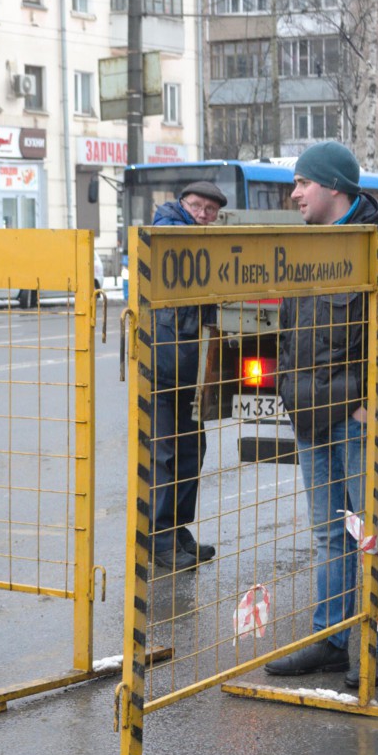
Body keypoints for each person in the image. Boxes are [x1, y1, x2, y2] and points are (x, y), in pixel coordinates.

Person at [263, 142, 378, 690]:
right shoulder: (307, 251)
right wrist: (290, 394)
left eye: (303, 184)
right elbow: (290, 336)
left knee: (374, 535)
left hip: (359, 424)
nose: (295, 194)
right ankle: (332, 641)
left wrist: (373, 406)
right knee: (330, 536)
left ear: (334, 188)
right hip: (312, 418)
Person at [149, 179, 228, 573]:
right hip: (163, 371)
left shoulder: (206, 245)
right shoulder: (166, 229)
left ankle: (178, 531)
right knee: (164, 456)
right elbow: (169, 237)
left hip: (192, 374)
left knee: (192, 454)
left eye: (210, 211)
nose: (202, 215)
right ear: (181, 203)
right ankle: (159, 540)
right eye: (196, 206)